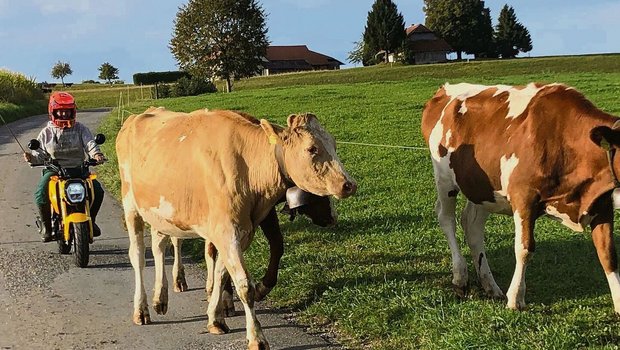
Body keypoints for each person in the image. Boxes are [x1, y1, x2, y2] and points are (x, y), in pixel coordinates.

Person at [23, 92, 106, 242]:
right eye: (60, 111)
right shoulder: (46, 132)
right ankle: (47, 228)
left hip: (79, 170)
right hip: (55, 171)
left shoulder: (81, 129)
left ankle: (91, 221)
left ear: (73, 111)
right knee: (40, 194)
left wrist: (96, 155)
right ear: (53, 112)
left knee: (98, 191)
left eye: (67, 111)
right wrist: (32, 157)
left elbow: (90, 144)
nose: (64, 114)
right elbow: (40, 154)